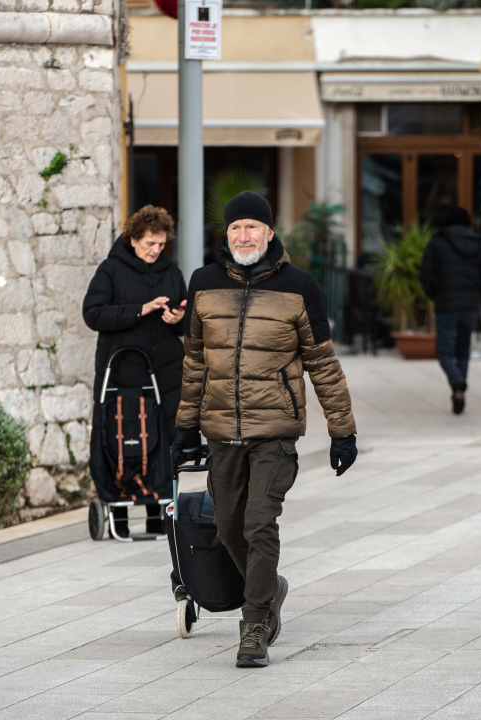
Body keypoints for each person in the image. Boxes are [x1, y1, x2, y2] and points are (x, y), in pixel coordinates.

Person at [171, 191, 358, 668]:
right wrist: (185, 427)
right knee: (230, 526)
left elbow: (323, 363)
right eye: (236, 227)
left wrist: (343, 430)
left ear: (270, 233)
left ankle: (255, 624)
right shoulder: (204, 284)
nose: (243, 235)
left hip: (274, 431)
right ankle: (271, 588)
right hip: (220, 432)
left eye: (252, 226)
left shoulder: (300, 287)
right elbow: (194, 363)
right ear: (226, 235)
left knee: (259, 524)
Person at [83, 205, 186, 537]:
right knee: (123, 442)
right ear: (132, 239)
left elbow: (187, 312)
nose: (155, 250)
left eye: (160, 244)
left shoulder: (171, 271)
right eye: (149, 244)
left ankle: (159, 515)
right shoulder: (111, 270)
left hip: (166, 376)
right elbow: (93, 314)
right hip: (123, 376)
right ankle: (120, 518)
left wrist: (179, 319)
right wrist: (140, 310)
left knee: (163, 442)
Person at [420, 205, 481, 415]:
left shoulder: (437, 243)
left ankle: (456, 380)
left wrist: (435, 294)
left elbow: (425, 275)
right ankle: (459, 393)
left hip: (446, 305)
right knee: (463, 350)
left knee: (444, 351)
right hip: (469, 304)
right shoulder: (478, 244)